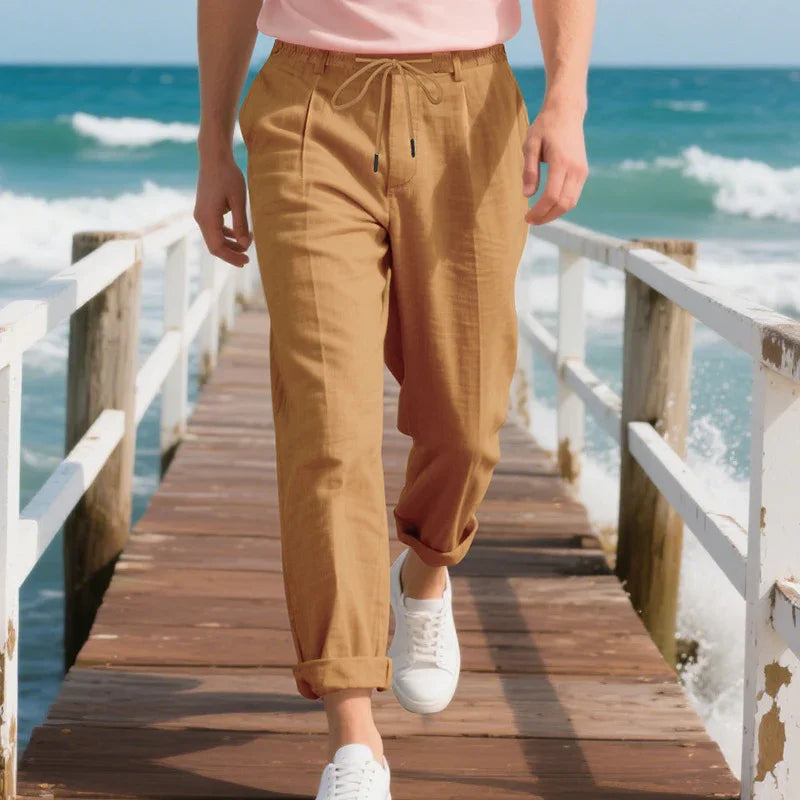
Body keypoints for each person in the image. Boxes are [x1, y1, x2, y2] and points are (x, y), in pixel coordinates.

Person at [194, 0, 594, 796]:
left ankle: (427, 568)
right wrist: (213, 147)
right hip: (308, 108)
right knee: (325, 426)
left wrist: (566, 100)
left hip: (470, 104)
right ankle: (354, 736)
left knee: (471, 417)